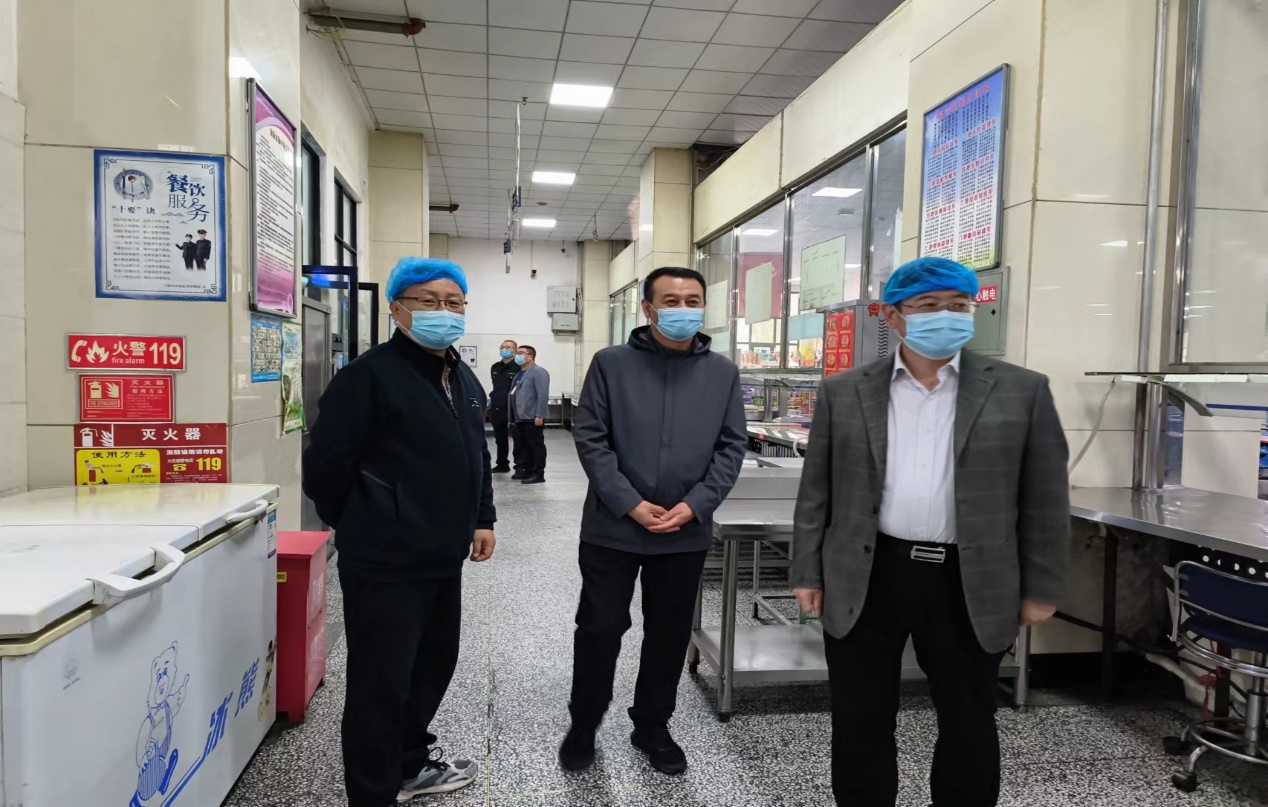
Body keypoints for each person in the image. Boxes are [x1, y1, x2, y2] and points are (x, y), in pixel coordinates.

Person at [791, 256, 1070, 807]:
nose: (947, 315)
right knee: (860, 716)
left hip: (968, 579)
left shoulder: (1022, 390)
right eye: (928, 305)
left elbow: (1045, 496)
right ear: (893, 316)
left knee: (969, 716)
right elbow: (817, 489)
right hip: (867, 573)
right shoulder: (845, 391)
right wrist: (807, 571)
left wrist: (1041, 587)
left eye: (959, 305)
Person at [303, 256, 497, 807]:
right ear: (397, 309)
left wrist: (482, 517)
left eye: (454, 302)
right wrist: (370, 521)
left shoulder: (461, 376)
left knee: (432, 667)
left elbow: (475, 455)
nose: (444, 312)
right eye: (429, 301)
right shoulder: (367, 378)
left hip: (443, 555)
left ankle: (409, 765)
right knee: (380, 685)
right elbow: (324, 470)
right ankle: (373, 794)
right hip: (385, 563)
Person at [560, 266, 747, 776]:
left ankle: (652, 725)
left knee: (668, 633)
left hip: (684, 531)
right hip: (613, 528)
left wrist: (696, 504)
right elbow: (591, 437)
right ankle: (584, 723)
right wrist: (629, 503)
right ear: (648, 308)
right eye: (671, 300)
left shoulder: (722, 373)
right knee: (599, 627)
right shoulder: (611, 364)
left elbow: (731, 447)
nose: (683, 308)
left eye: (692, 300)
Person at [508, 345, 549, 485]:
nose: (517, 356)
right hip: (519, 416)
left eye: (520, 353)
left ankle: (538, 474)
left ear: (530, 357)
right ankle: (526, 470)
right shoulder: (520, 373)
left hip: (532, 416)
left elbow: (542, 395)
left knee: (535, 446)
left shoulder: (539, 372)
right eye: (516, 353)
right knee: (523, 445)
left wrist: (540, 415)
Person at [488, 339, 522, 475]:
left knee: (518, 438)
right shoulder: (495, 367)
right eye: (502, 347)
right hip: (498, 406)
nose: (505, 349)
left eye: (508, 347)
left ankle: (520, 466)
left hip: (514, 408)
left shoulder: (519, 368)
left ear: (515, 350)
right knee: (500, 438)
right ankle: (502, 464)